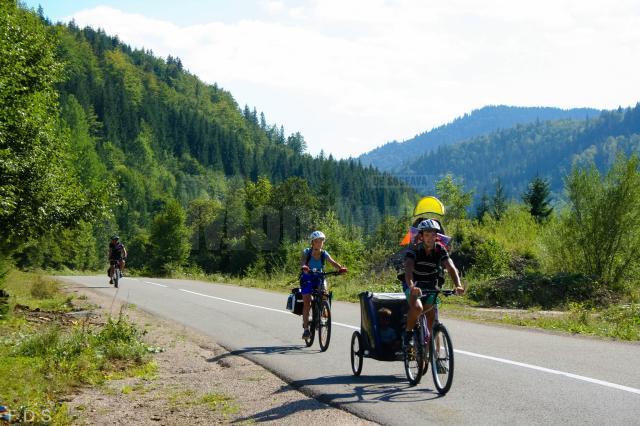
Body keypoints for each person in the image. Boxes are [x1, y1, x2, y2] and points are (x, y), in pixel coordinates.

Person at [403, 219, 464, 345]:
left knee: (430, 315)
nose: (430, 238)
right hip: (413, 283)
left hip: (430, 285)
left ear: (437, 236)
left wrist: (458, 285)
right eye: (427, 235)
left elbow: (451, 267)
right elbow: (408, 269)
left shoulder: (440, 249)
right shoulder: (414, 249)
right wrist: (411, 286)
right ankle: (408, 334)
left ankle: (428, 349)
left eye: (433, 235)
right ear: (421, 236)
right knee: (418, 308)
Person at [299, 230, 347, 339]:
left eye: (321, 241)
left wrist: (341, 268)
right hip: (307, 277)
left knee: (324, 293)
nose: (320, 243)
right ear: (313, 242)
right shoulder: (306, 252)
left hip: (319, 277)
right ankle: (306, 330)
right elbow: (302, 262)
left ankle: (323, 310)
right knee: (307, 302)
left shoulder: (324, 253)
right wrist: (304, 268)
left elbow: (333, 262)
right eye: (317, 241)